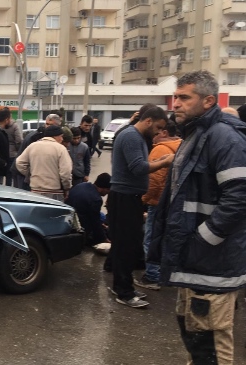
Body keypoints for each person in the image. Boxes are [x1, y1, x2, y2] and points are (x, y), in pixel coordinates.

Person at [149, 70, 246, 363]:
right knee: (196, 338)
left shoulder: (224, 138)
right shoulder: (196, 135)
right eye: (175, 97)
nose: (175, 103)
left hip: (211, 264)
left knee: (211, 346)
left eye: (184, 97)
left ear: (208, 101)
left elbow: (239, 197)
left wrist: (202, 239)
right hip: (195, 261)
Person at [106, 105, 173, 308]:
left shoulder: (135, 136)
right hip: (125, 197)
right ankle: (124, 292)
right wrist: (164, 162)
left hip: (128, 196)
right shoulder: (132, 136)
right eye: (158, 127)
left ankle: (122, 286)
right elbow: (137, 168)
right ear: (148, 120)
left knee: (125, 245)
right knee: (127, 246)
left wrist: (159, 160)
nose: (160, 132)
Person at [134, 119, 181, 291]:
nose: (154, 135)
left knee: (151, 238)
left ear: (164, 133)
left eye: (157, 131)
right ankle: (165, 273)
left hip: (158, 202)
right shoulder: (181, 146)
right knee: (167, 239)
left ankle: (152, 275)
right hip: (174, 202)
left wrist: (143, 200)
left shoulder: (160, 149)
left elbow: (153, 180)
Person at [16, 125, 72, 201]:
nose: (62, 139)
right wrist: (66, 187)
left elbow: (19, 163)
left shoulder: (33, 146)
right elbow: (66, 172)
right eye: (61, 136)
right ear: (55, 136)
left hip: (35, 190)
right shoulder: (61, 149)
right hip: (54, 192)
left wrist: (31, 174)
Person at [65, 173, 111, 247]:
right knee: (104, 226)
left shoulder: (81, 185)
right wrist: (104, 239)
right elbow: (95, 223)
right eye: (108, 190)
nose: (107, 193)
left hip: (68, 219)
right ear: (104, 188)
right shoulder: (96, 199)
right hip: (80, 227)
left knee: (101, 217)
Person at [0, 108, 22, 187]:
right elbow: (18, 140)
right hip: (12, 154)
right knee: (10, 176)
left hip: (2, 154)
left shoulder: (0, 126)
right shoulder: (15, 126)